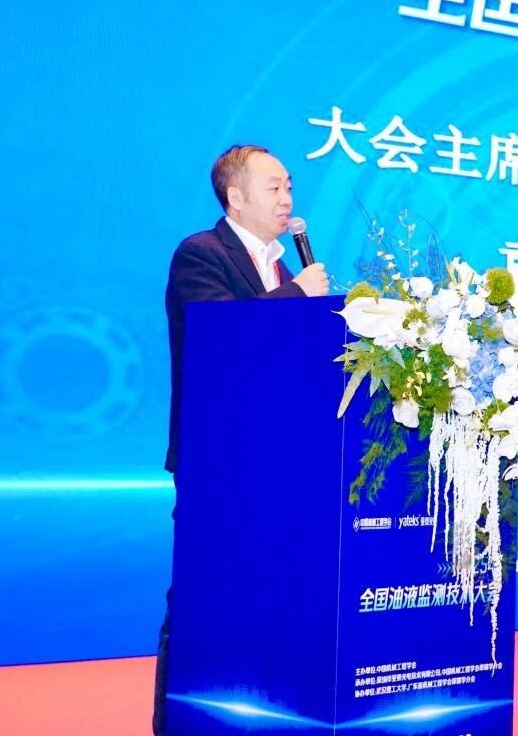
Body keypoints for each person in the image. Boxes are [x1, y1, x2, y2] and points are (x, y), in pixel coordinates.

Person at [154, 144, 328, 735]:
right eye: (274, 187)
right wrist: (301, 298)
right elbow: (223, 339)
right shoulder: (201, 253)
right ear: (235, 196)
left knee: (271, 599)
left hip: (279, 463)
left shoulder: (283, 269)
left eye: (289, 186)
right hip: (218, 463)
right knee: (201, 599)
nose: (288, 198)